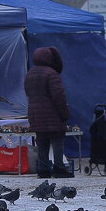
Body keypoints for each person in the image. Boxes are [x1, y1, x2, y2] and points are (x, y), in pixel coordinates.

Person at [24, 46, 73, 178]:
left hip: (35, 114)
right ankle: (59, 167)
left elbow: (28, 93)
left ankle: (43, 169)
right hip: (52, 114)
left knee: (42, 142)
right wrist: (65, 114)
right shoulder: (51, 74)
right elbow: (58, 96)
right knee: (57, 141)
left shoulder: (30, 73)